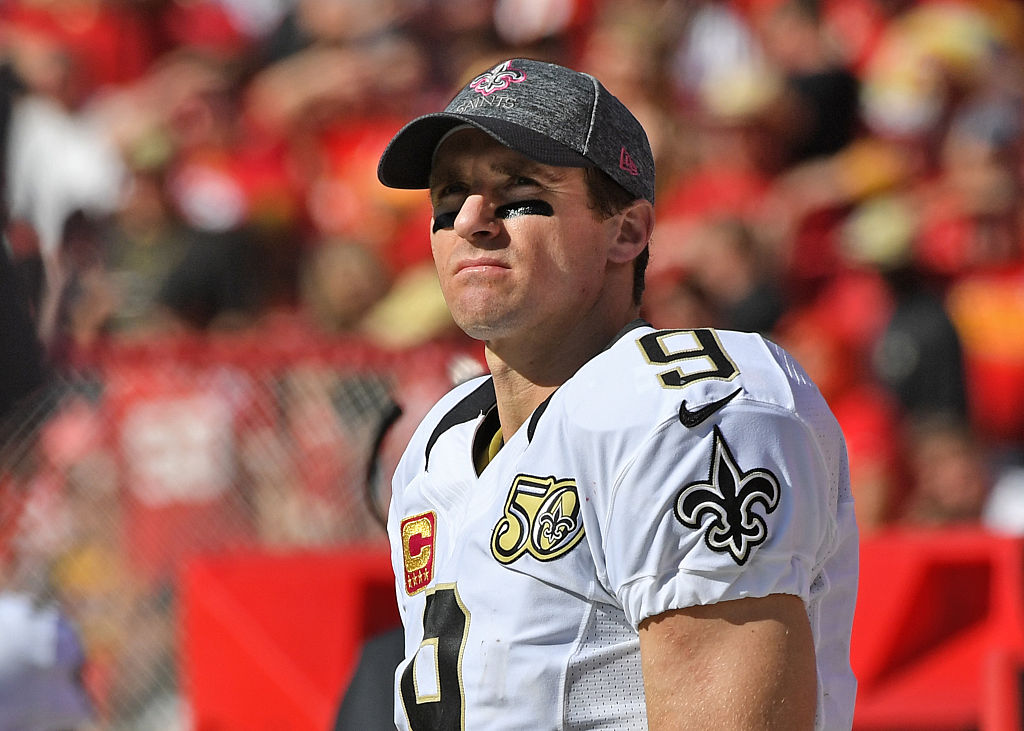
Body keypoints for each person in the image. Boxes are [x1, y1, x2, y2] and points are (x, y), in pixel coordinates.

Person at [375, 57, 859, 729]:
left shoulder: (679, 406)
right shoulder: (438, 445)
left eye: (518, 193)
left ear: (626, 230)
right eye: (448, 199)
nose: (472, 221)